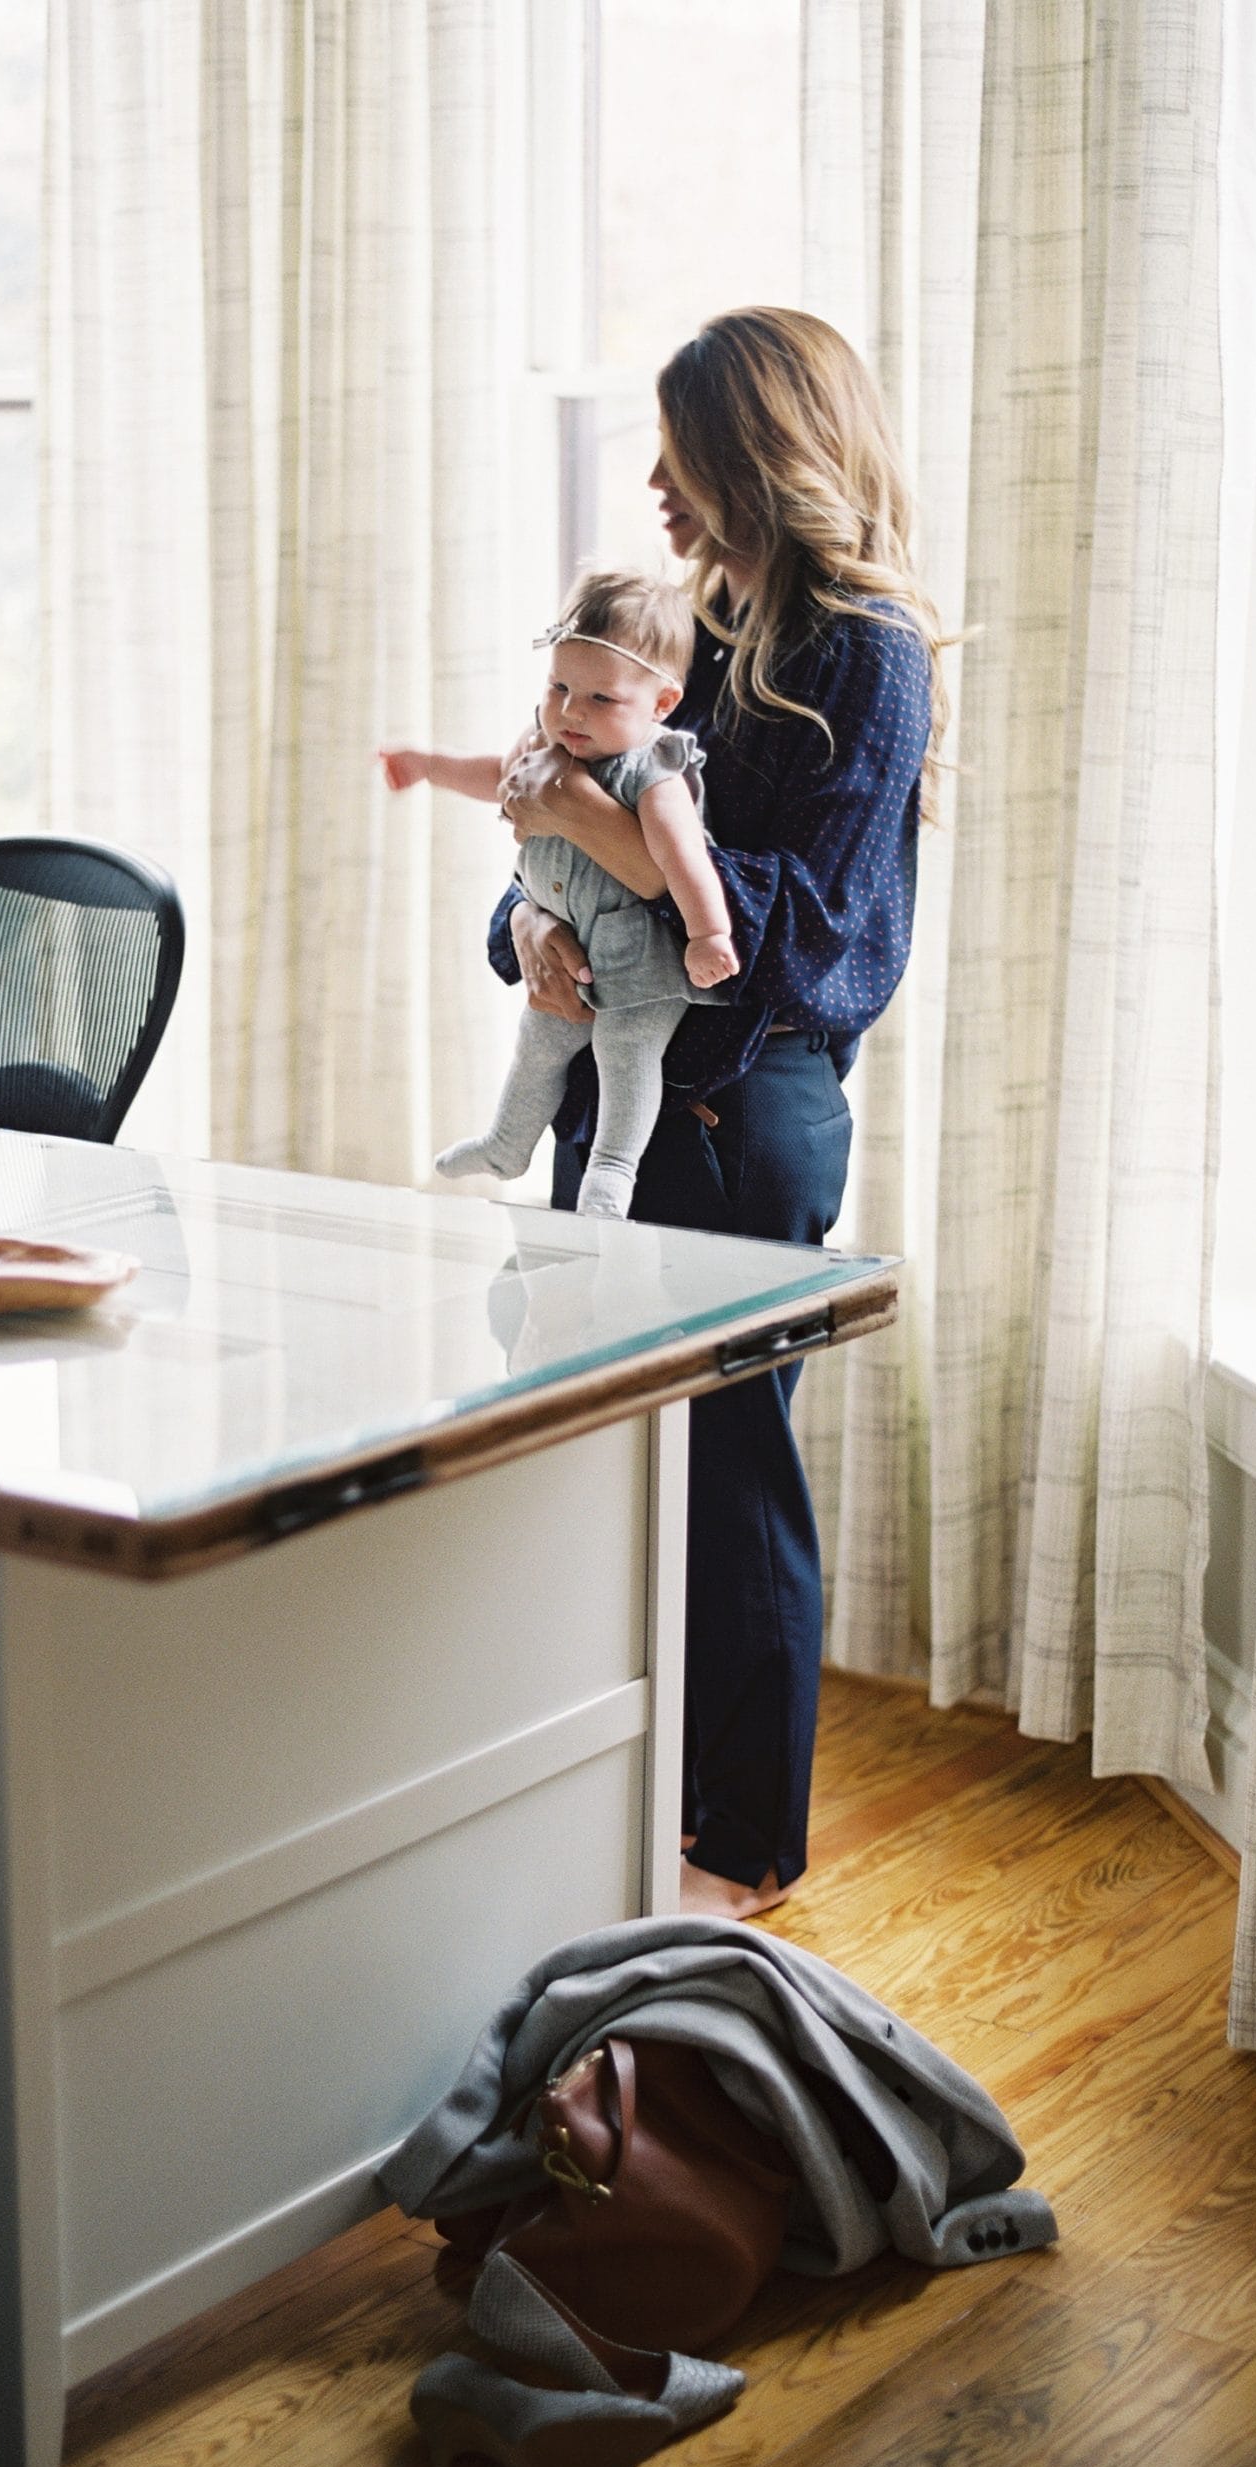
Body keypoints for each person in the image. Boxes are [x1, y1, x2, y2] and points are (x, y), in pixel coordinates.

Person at [490, 307, 946, 1919]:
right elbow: (546, 858)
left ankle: (735, 1847)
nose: (659, 486)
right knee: (613, 1456)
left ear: (759, 451)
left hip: (746, 1116)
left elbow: (799, 946)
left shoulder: (865, 655)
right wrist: (535, 930)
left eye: (684, 452)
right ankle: (628, 1792)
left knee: (731, 1466)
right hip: (619, 1102)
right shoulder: (694, 626)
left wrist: (601, 847)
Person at [380, 568, 738, 1218]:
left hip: (643, 965)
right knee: (540, 1044)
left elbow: (683, 857)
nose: (572, 711)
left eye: (601, 699)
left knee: (625, 1056)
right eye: (559, 687)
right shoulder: (550, 738)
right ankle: (506, 1145)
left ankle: (611, 1173)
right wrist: (429, 765)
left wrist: (708, 934)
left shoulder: (654, 769)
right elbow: (500, 776)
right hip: (569, 954)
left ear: (660, 704)